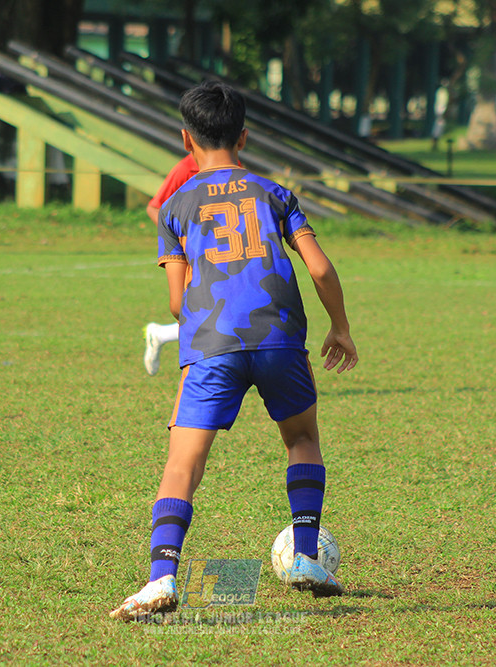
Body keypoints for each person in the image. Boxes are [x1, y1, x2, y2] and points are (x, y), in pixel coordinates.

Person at [110, 80, 359, 622]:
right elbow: (318, 266)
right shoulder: (276, 194)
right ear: (243, 137)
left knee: (183, 465)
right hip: (280, 340)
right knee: (302, 439)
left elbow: (177, 303)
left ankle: (160, 580)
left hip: (211, 344)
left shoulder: (174, 207)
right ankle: (308, 560)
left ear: (186, 139)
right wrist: (339, 326)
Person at [141, 152, 239, 376]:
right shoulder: (185, 169)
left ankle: (161, 335)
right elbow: (155, 207)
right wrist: (181, 238)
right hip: (196, 255)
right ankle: (204, 371)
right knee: (208, 308)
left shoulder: (233, 164)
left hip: (225, 251)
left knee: (225, 307)